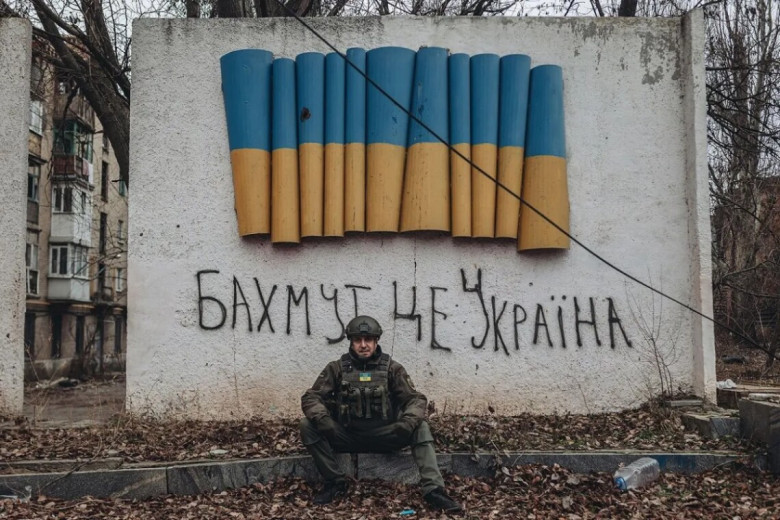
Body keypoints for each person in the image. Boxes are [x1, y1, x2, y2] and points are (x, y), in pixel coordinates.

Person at [300, 315, 463, 512]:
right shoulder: (336, 368)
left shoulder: (392, 369)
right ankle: (335, 481)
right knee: (307, 425)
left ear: (376, 341)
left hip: (386, 436)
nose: (363, 345)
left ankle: (434, 490)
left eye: (368, 339)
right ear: (351, 342)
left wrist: (406, 423)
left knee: (420, 427)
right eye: (358, 340)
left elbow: (415, 399)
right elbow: (312, 397)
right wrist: (323, 419)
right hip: (347, 435)